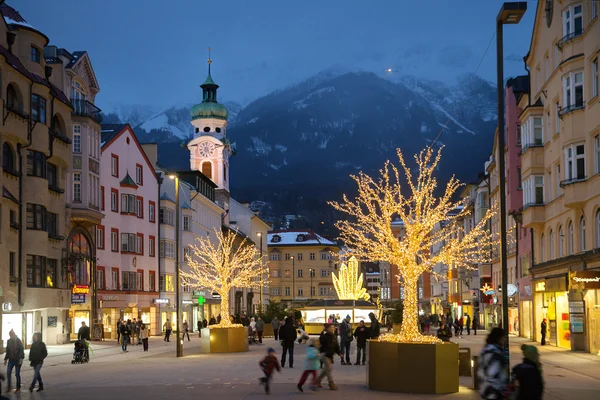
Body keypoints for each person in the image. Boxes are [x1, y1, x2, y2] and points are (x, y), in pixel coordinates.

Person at [478, 328, 508, 400]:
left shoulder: (486, 349)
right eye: (503, 337)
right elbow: (493, 374)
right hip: (493, 392)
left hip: (486, 389)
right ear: (499, 338)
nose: (505, 340)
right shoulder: (495, 353)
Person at [316, 323, 342, 390]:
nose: (332, 328)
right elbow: (319, 346)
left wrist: (339, 353)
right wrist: (320, 353)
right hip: (324, 355)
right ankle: (331, 384)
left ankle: (318, 380)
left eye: (333, 327)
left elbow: (336, 345)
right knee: (329, 369)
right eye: (331, 327)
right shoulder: (323, 337)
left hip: (330, 355)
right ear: (327, 328)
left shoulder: (333, 336)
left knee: (326, 369)